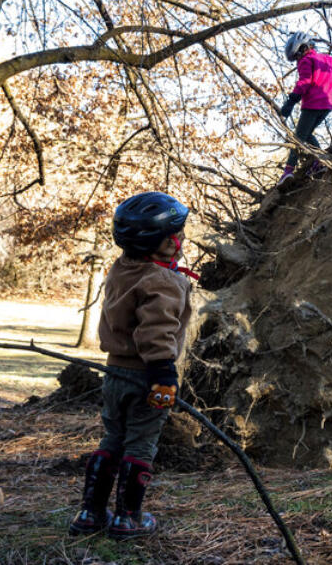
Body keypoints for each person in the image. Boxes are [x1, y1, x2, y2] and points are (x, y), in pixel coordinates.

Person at [68, 192, 198, 539]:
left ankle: (90, 513)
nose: (183, 239)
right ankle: (128, 518)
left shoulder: (121, 269)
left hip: (113, 374)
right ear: (162, 244)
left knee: (113, 437)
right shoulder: (164, 280)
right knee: (141, 444)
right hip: (147, 377)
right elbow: (156, 330)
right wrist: (163, 376)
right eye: (178, 234)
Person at [277, 32, 332, 185]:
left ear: (303, 49)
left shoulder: (306, 60)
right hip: (328, 104)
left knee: (298, 138)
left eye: (297, 56)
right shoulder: (326, 59)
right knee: (307, 133)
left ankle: (288, 171)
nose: (297, 60)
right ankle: (319, 162)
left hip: (312, 104)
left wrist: (290, 102)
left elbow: (305, 81)